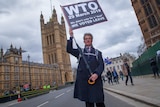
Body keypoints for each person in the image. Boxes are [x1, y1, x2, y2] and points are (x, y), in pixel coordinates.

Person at [67, 29, 105, 107]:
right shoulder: (80, 52)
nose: (87, 40)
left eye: (89, 38)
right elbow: (69, 49)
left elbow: (101, 65)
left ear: (92, 40)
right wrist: (71, 37)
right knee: (89, 104)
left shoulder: (98, 53)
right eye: (86, 39)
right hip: (86, 82)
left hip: (96, 81)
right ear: (84, 41)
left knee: (100, 102)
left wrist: (96, 74)